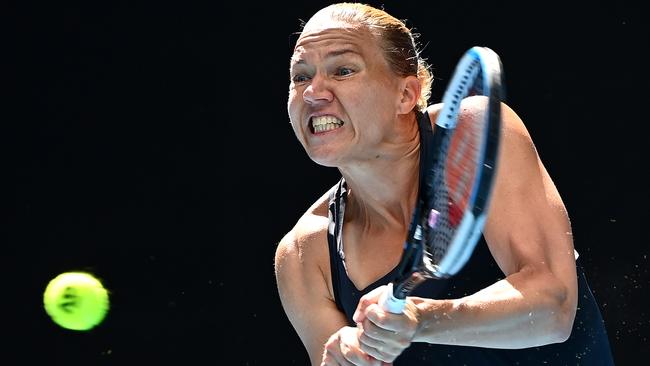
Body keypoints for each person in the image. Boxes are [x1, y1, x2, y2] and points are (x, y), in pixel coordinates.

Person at [274, 3, 615, 365]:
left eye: (343, 70)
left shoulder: (475, 133)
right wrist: (345, 357)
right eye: (300, 76)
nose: (313, 92)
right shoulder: (303, 254)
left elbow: (554, 308)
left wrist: (424, 320)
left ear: (405, 95)